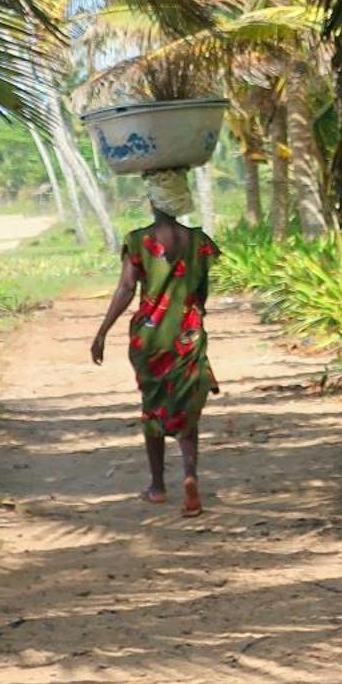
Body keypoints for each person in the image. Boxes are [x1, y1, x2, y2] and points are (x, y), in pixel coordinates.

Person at [89, 167, 221, 516]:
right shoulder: (198, 240)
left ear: (153, 199)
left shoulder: (138, 241)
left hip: (150, 337)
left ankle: (158, 486)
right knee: (188, 407)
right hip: (188, 332)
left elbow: (126, 289)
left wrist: (102, 331)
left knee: (154, 404)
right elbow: (202, 292)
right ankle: (190, 477)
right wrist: (196, 316)